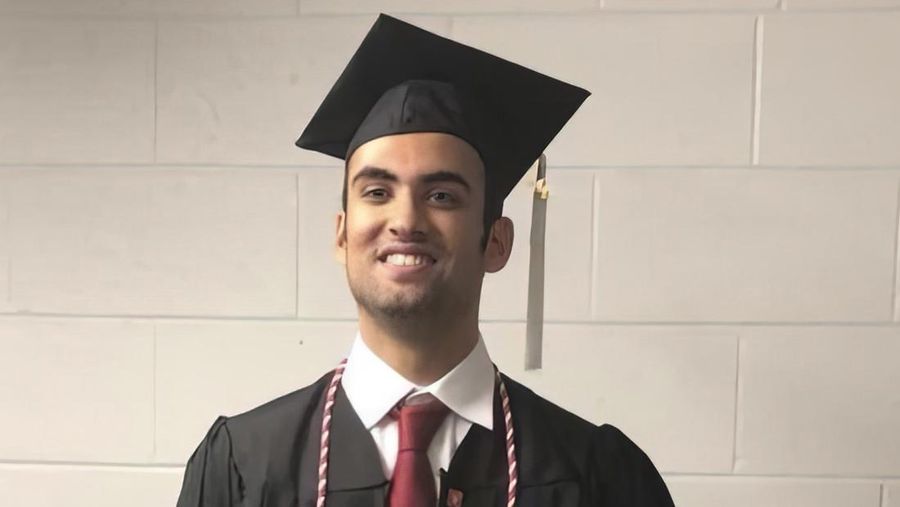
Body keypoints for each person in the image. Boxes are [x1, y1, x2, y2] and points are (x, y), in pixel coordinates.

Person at [177, 14, 674, 507]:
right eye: (377, 191)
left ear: (496, 242)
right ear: (342, 235)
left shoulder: (596, 476)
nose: (405, 220)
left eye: (441, 196)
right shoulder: (242, 468)